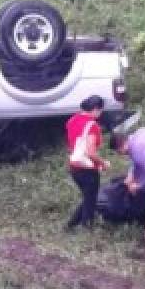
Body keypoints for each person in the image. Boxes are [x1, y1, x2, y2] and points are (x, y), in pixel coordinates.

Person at [64, 94, 110, 230]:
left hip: (74, 166)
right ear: (95, 109)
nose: (100, 114)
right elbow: (90, 152)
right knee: (90, 201)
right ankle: (86, 229)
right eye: (100, 111)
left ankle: (70, 225)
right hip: (87, 169)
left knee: (88, 198)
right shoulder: (92, 126)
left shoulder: (73, 119)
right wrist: (103, 163)